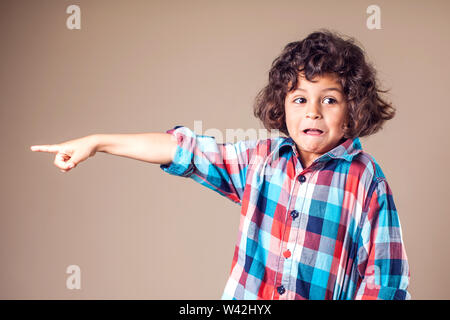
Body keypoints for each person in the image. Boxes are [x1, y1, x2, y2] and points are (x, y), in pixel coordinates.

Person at [30, 29, 410, 300]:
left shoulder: (366, 180)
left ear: (352, 109)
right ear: (282, 106)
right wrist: (98, 142)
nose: (312, 111)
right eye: (299, 99)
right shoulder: (261, 161)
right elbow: (184, 150)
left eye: (329, 100)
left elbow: (386, 279)